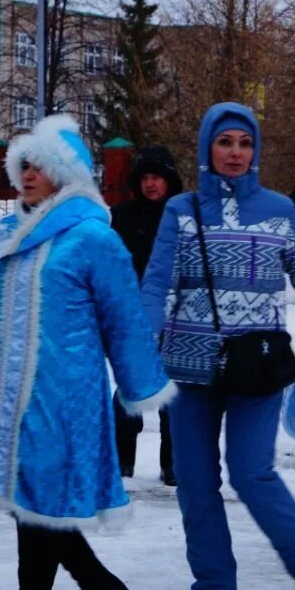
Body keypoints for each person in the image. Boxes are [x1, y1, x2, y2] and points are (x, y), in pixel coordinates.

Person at [0, 114, 174, 590]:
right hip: (6, 393)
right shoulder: (3, 236)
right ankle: (98, 585)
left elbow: (124, 317)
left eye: (41, 165)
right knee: (30, 498)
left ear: (66, 174)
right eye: (23, 164)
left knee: (41, 500)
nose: (28, 174)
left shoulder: (93, 237)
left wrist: (140, 386)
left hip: (65, 395)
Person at [140, 102, 295, 590]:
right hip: (189, 368)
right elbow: (159, 285)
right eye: (225, 142)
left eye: (244, 143)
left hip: (256, 366)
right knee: (194, 480)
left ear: (254, 151)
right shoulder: (181, 212)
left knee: (251, 471)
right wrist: (139, 349)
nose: (235, 153)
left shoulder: (278, 209)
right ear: (207, 148)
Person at [109, 145, 183, 485]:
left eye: (157, 178)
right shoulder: (122, 216)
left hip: (177, 315)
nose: (151, 184)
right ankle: (121, 461)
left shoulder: (183, 217)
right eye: (145, 178)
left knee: (175, 393)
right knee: (130, 389)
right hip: (134, 314)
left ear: (169, 181)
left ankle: (173, 464)